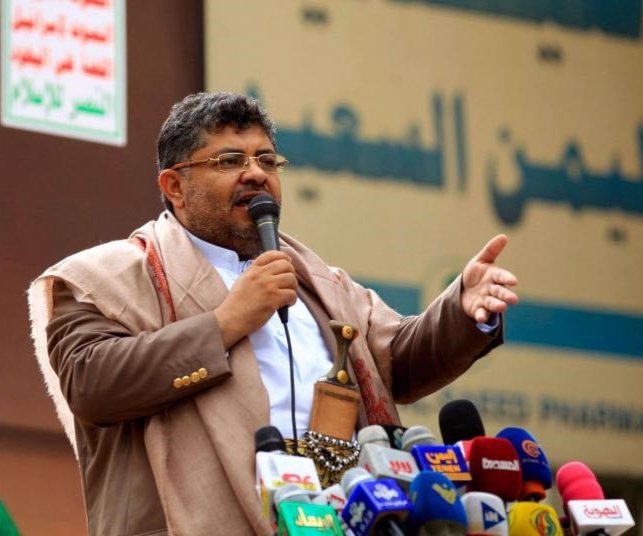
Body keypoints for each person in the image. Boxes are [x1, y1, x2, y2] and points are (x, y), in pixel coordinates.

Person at [27, 92, 518, 535]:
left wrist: (461, 311)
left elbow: (399, 362)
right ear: (175, 186)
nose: (256, 173)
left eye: (266, 159)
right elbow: (91, 385)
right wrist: (226, 323)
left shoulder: (320, 282)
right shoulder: (105, 278)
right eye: (229, 160)